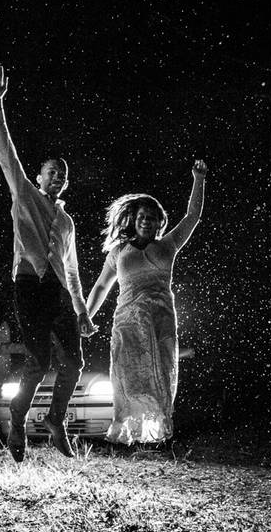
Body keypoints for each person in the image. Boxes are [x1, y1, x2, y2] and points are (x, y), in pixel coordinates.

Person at [0, 64, 98, 462]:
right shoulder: (25, 195)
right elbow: (7, 154)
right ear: (39, 175)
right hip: (30, 284)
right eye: (52, 172)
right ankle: (17, 423)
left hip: (59, 293)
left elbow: (73, 272)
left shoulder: (67, 221)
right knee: (39, 359)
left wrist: (82, 313)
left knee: (76, 360)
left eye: (63, 175)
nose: (58, 178)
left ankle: (56, 420)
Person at [85, 160, 207, 445]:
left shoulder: (169, 245)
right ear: (133, 219)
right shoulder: (119, 252)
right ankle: (129, 434)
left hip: (160, 318)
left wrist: (198, 179)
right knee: (128, 377)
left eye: (152, 217)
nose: (146, 221)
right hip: (127, 320)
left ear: (158, 222)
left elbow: (192, 217)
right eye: (142, 216)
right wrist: (85, 316)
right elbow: (102, 285)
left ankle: (157, 435)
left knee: (159, 373)